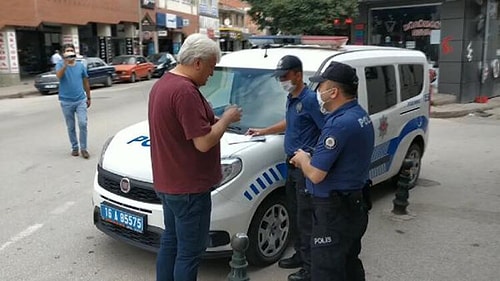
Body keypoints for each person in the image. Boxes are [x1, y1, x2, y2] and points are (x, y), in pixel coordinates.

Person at [148, 33, 242, 281]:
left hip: (169, 183)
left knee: (171, 242)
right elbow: (203, 143)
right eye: (211, 68)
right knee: (189, 253)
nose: (211, 74)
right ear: (198, 62)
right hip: (189, 188)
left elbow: (183, 127)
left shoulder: (163, 84)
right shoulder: (184, 91)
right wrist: (226, 119)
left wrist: (214, 118)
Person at [289, 61, 375, 281]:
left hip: (334, 211)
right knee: (348, 264)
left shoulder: (338, 124)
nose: (318, 92)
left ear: (333, 91)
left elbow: (317, 174)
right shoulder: (360, 115)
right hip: (353, 204)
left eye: (321, 87)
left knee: (326, 269)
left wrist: (303, 159)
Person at [246, 55, 324, 281]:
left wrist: (311, 156)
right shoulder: (292, 97)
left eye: (284, 76)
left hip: (304, 167)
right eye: (279, 77)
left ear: (298, 75)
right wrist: (262, 131)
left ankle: (309, 268)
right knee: (296, 213)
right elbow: (290, 122)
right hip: (290, 164)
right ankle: (300, 255)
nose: (281, 81)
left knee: (306, 217)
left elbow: (326, 129)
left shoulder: (310, 99)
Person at [55, 43, 91, 159]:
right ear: (63, 54)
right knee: (70, 126)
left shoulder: (80, 66)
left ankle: (84, 148)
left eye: (72, 51)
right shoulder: (60, 64)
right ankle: (75, 147)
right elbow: (58, 76)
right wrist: (65, 65)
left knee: (83, 123)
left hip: (80, 99)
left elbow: (85, 81)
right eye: (67, 51)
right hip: (66, 101)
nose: (70, 53)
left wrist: (89, 96)